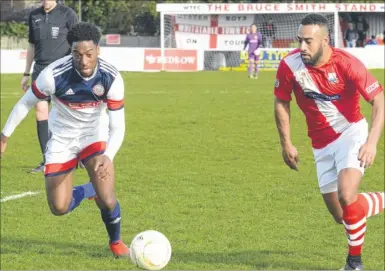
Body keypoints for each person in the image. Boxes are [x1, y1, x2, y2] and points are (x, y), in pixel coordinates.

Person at [0, 22, 129, 258]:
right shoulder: (53, 74)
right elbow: (25, 103)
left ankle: (116, 242)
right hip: (61, 139)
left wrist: (108, 157)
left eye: (89, 54)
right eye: (77, 54)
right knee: (59, 207)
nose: (84, 61)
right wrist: (4, 136)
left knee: (108, 199)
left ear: (98, 50)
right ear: (71, 52)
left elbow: (118, 126)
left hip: (94, 136)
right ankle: (89, 189)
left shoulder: (111, 77)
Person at [273, 13, 384, 270]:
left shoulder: (347, 63)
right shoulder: (289, 65)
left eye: (308, 41)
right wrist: (286, 143)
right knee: (342, 215)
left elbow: (379, 100)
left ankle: (354, 263)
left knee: (347, 194)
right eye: (299, 40)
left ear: (325, 40)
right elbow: (281, 100)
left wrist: (371, 143)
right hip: (320, 145)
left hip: (351, 133)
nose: (302, 47)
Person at [23, 0, 78, 173]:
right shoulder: (34, 15)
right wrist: (26, 73)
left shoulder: (68, 14)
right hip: (39, 71)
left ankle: (74, 155)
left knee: (66, 114)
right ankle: (47, 160)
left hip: (63, 71)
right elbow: (31, 45)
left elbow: (77, 42)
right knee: (41, 112)